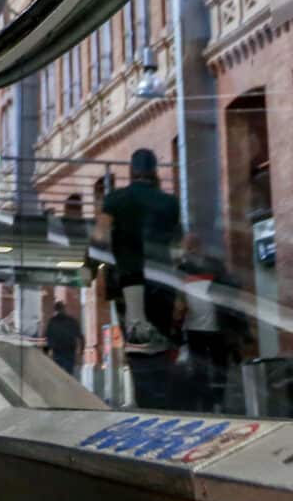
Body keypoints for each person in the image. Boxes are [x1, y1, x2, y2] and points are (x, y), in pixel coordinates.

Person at [94, 147, 180, 353]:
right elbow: (177, 247)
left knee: (136, 344)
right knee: (161, 343)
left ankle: (142, 383)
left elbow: (100, 238)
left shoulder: (114, 200)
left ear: (131, 170)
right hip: (162, 279)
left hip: (128, 279)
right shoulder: (170, 203)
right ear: (155, 171)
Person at [175, 231, 235, 410]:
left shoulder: (215, 267)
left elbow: (228, 294)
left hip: (217, 327)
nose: (189, 250)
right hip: (194, 328)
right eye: (186, 246)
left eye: (191, 246)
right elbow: (179, 300)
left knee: (218, 366)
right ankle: (209, 403)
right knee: (201, 368)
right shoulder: (181, 270)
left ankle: (217, 401)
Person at [44, 299, 84, 378]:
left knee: (59, 375)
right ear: (64, 309)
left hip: (58, 352)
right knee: (68, 374)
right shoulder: (71, 321)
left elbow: (48, 338)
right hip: (69, 352)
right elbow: (80, 337)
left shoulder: (52, 322)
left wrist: (46, 352)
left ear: (55, 310)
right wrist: (81, 352)